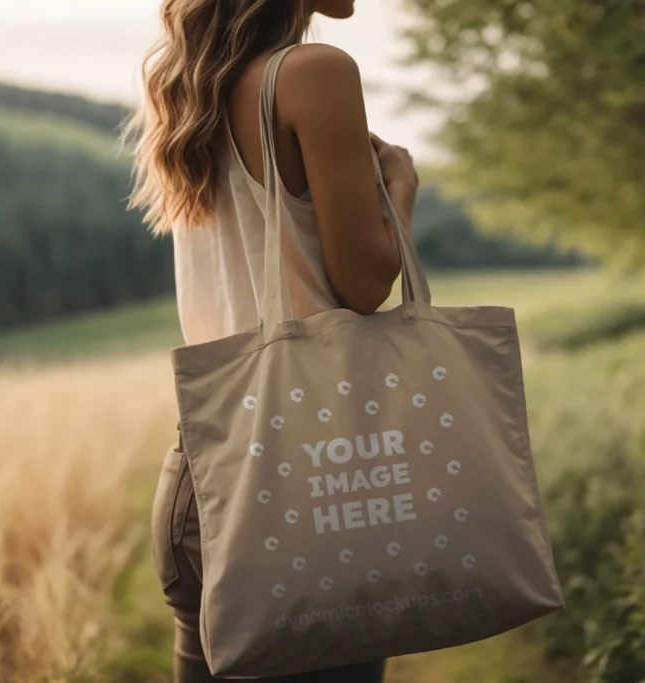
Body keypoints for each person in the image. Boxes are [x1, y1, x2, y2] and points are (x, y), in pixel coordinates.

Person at [125, 1, 420, 680]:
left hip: (202, 478)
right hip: (313, 472)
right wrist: (398, 192)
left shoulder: (186, 84)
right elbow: (366, 282)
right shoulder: (314, 73)